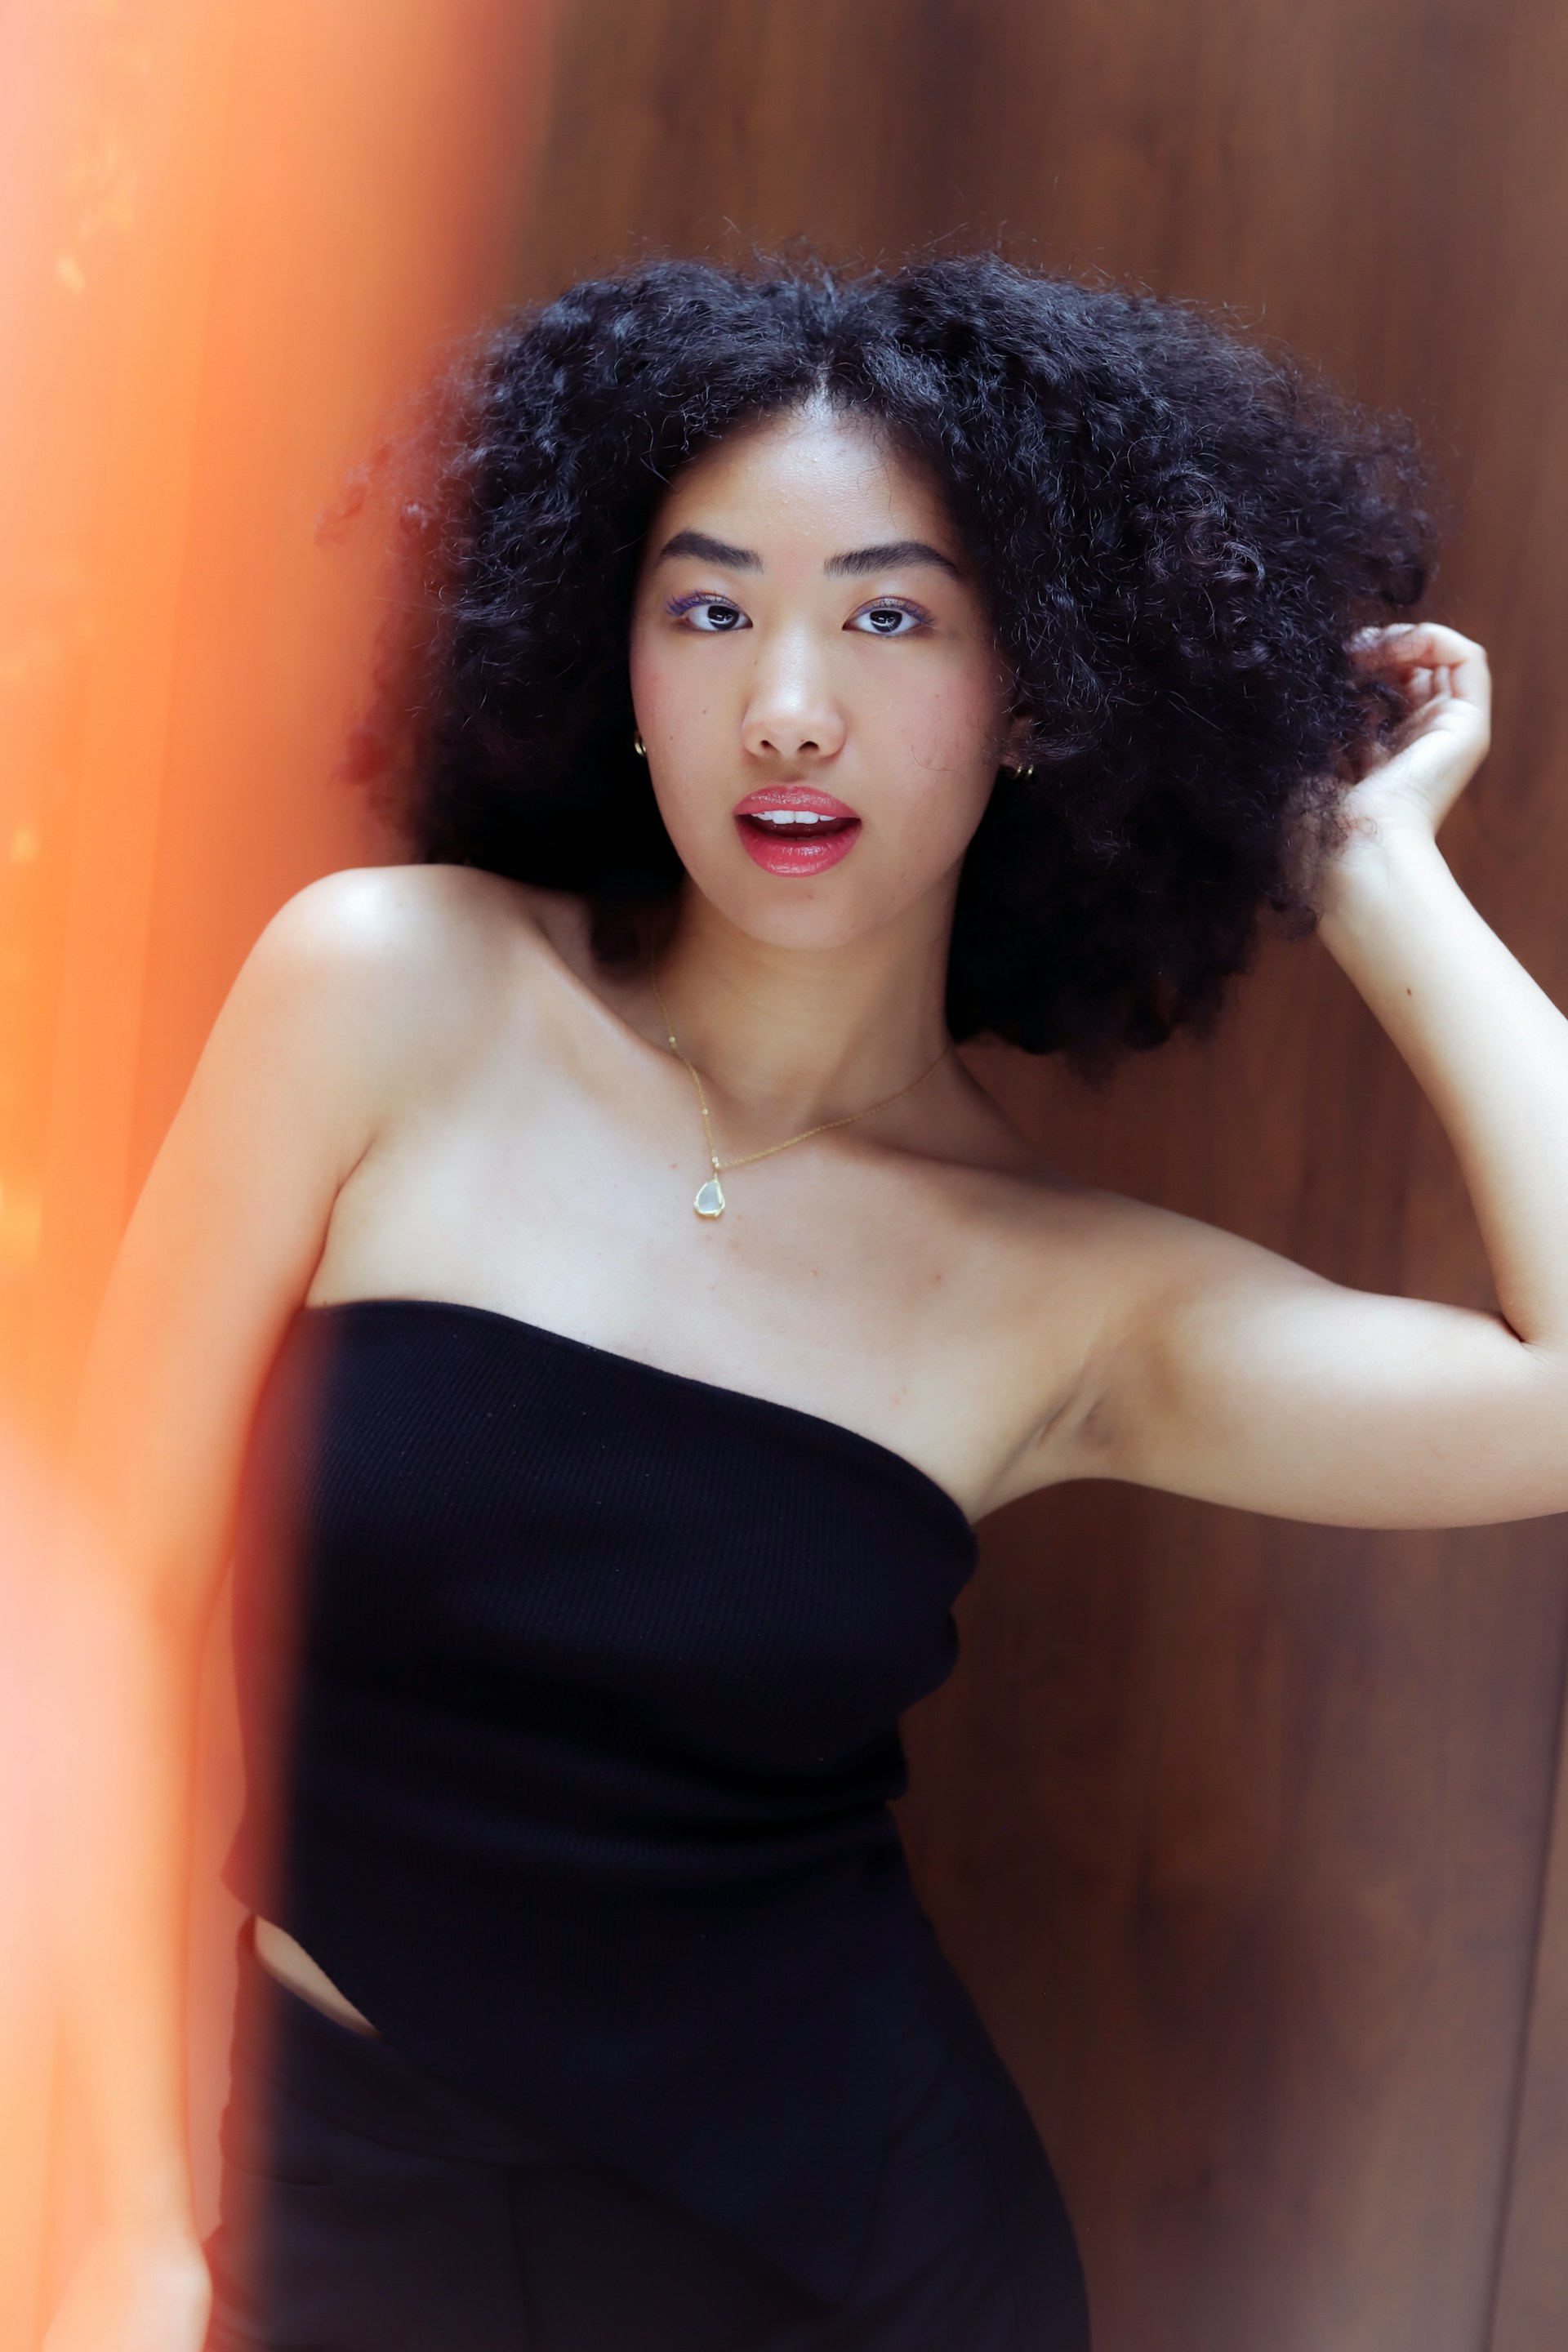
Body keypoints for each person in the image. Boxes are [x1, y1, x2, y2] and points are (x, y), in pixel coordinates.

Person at [43, 256, 1568, 2352]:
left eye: (887, 614)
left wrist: (1375, 869)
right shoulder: (384, 987)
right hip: (310, 2194)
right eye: (709, 605)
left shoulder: (1068, 1295)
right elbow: (95, 1595)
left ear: (1036, 693)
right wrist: (121, 2223)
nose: (787, 699)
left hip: (841, 2270)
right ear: (622, 658)